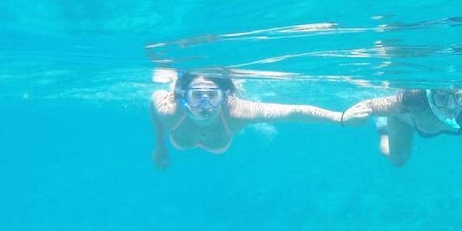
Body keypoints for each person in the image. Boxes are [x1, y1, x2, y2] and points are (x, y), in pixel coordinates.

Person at [150, 71, 370, 168]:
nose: (205, 106)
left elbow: (293, 112)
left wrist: (341, 118)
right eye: (196, 96)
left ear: (225, 97)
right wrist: (159, 144)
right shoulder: (170, 111)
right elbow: (154, 102)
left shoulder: (237, 113)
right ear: (183, 97)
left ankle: (260, 130)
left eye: (213, 96)